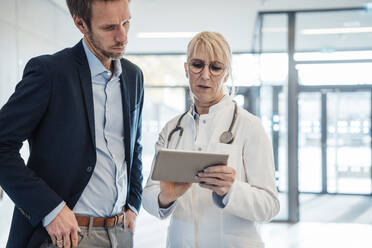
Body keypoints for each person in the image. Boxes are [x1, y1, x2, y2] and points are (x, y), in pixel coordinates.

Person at [0, 0, 144, 247]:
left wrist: (133, 203)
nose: (123, 36)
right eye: (109, 27)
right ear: (81, 24)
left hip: (120, 233)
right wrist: (50, 209)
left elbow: (133, 148)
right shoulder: (50, 72)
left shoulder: (133, 76)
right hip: (65, 236)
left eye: (126, 22)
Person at [142, 31, 279, 248]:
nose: (205, 75)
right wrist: (164, 197)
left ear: (226, 74)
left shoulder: (250, 127)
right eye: (197, 64)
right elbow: (149, 194)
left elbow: (270, 205)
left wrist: (231, 190)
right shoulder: (172, 129)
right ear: (186, 68)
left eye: (215, 67)